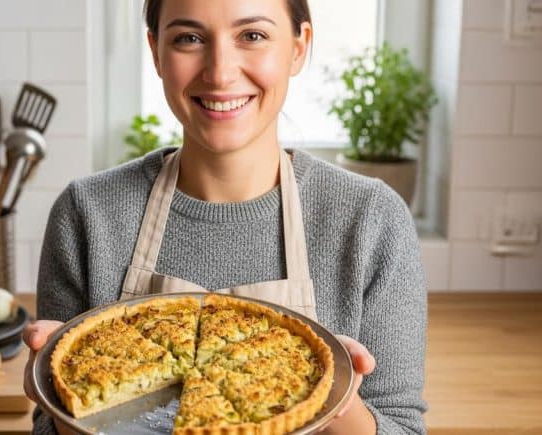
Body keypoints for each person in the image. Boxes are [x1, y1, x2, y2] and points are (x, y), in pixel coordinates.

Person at [23, 0, 427, 434]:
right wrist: (60, 397)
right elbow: (51, 426)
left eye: (252, 36)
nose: (219, 72)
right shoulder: (86, 213)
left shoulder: (371, 220)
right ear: (156, 51)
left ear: (298, 46)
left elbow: (401, 427)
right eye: (189, 38)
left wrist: (333, 399)